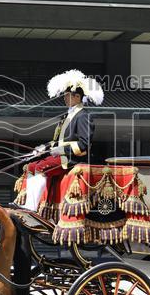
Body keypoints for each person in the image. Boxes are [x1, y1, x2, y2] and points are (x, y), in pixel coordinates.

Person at [22, 70, 102, 211]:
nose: (64, 99)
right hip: (61, 155)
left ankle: (31, 208)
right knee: (31, 167)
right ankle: (29, 204)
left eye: (67, 96)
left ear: (77, 97)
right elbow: (56, 141)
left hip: (71, 159)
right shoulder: (66, 116)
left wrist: (61, 150)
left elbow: (84, 145)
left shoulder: (83, 116)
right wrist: (43, 147)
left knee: (41, 168)